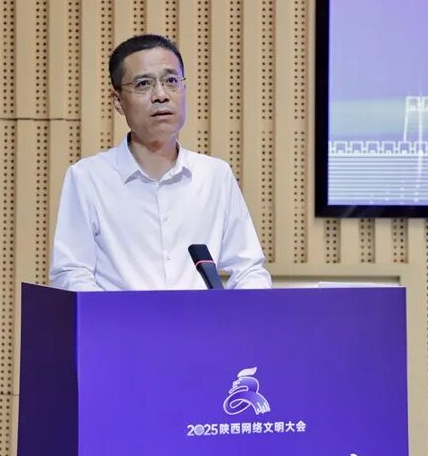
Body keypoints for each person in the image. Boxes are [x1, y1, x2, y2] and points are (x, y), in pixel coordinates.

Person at [49, 34, 272, 291]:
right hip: (119, 317)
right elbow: (71, 273)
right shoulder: (88, 177)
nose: (161, 95)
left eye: (171, 81)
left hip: (200, 318)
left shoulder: (215, 175)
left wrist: (251, 308)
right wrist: (110, 313)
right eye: (144, 84)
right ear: (118, 101)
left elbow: (248, 269)